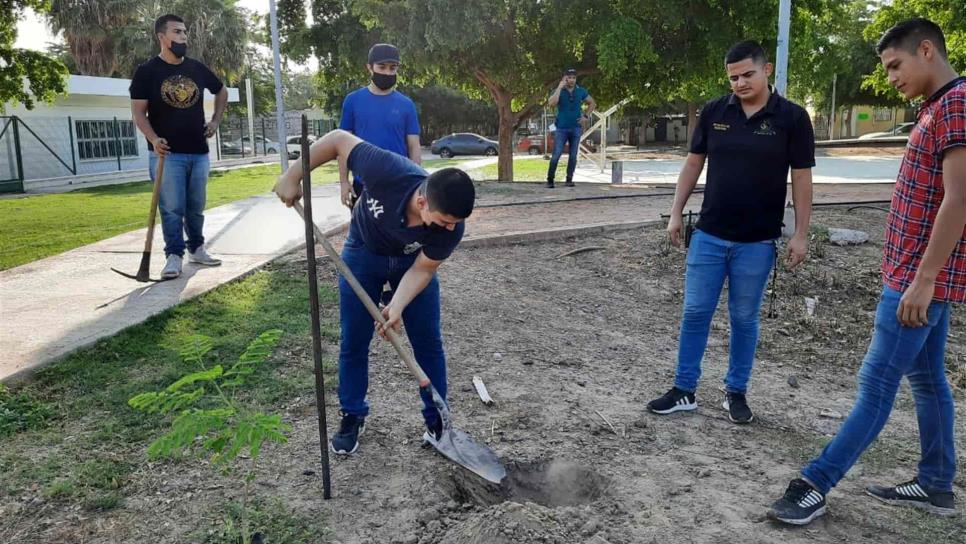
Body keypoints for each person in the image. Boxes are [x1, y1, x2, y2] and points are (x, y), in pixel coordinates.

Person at [768, 18, 964, 525]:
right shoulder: (936, 107)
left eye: (896, 65)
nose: (892, 77)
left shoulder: (957, 104)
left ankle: (815, 483)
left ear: (926, 50)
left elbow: (960, 199)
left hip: (917, 281)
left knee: (876, 385)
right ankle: (937, 483)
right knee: (927, 380)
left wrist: (923, 279)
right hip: (915, 276)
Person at [274, 129, 476, 456]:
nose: (451, 229)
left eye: (456, 223)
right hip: (363, 251)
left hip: (411, 260)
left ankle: (438, 420)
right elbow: (339, 139)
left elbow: (423, 269)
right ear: (423, 201)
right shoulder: (387, 171)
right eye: (444, 221)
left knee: (428, 341)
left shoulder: (452, 226)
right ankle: (352, 415)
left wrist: (395, 306)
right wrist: (292, 175)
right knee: (354, 339)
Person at [646, 40, 814, 424]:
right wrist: (675, 212)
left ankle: (735, 392)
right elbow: (692, 165)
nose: (740, 83)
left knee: (743, 318)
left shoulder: (792, 118)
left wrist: (800, 233)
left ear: (766, 70)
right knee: (695, 313)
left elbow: (801, 179)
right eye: (733, 77)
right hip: (709, 235)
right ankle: (684, 390)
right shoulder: (714, 112)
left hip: (757, 242)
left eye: (747, 75)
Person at [130, 14, 227, 279]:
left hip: (198, 151)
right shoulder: (147, 72)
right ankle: (174, 256)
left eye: (185, 32)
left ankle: (196, 248)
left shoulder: (196, 68)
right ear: (162, 37)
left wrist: (216, 121)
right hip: (166, 155)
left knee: (196, 206)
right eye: (177, 32)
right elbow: (138, 113)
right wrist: (153, 138)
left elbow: (221, 90)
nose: (183, 37)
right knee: (171, 208)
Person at [339, 43, 422, 209]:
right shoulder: (353, 101)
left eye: (393, 68)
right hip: (363, 185)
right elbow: (342, 146)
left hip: (399, 184)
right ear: (369, 67)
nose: (387, 72)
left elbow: (414, 146)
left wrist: (418, 183)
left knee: (399, 234)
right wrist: (343, 181)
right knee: (364, 234)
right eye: (382, 67)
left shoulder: (406, 105)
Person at [546, 68, 596, 188]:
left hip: (575, 128)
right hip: (561, 128)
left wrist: (585, 116)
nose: (572, 80)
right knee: (556, 154)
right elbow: (551, 103)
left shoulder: (581, 91)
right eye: (569, 77)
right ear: (565, 78)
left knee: (573, 155)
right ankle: (550, 179)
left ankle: (569, 179)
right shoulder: (559, 91)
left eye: (574, 78)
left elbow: (593, 103)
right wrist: (559, 87)